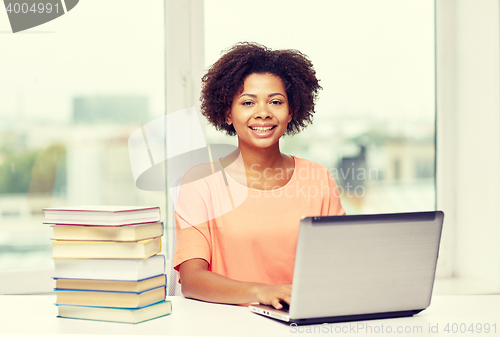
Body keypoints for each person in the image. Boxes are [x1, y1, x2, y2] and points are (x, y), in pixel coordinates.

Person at [173, 42, 345, 309]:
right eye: (248, 102)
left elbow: (339, 264)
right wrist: (261, 292)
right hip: (225, 326)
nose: (263, 112)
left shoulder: (317, 178)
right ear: (228, 113)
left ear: (291, 112)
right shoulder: (200, 183)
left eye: (275, 102)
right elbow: (192, 280)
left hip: (300, 322)